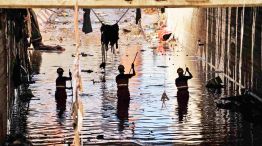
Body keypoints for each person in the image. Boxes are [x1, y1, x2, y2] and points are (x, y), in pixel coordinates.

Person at [115, 64, 135, 129]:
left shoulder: (117, 77)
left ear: (119, 70)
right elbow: (134, 74)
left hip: (120, 95)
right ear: (123, 70)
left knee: (120, 106)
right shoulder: (126, 76)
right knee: (126, 106)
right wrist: (133, 68)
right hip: (126, 94)